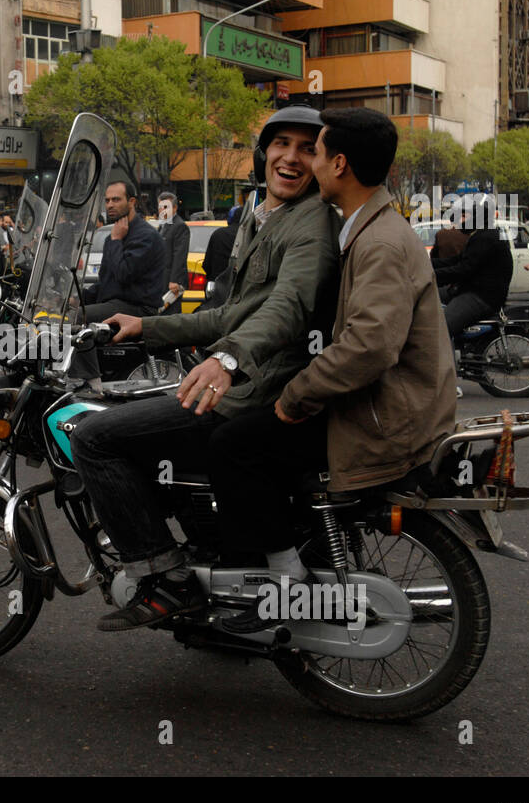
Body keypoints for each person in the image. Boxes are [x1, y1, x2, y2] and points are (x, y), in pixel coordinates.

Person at [69, 105, 340, 631]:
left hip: (255, 391)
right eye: (281, 143)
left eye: (308, 148)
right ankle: (207, 550)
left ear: (324, 160)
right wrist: (146, 326)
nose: (291, 157)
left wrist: (227, 360)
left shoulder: (309, 227)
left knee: (94, 438)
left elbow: (290, 306)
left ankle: (164, 576)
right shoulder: (269, 217)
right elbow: (232, 313)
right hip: (247, 380)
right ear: (264, 152)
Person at [267, 108, 456, 621]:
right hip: (389, 406)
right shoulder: (369, 229)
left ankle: (282, 589)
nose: (309, 162)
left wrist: (295, 396)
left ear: (340, 164)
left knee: (235, 445)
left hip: (385, 420)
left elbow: (369, 346)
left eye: (317, 151)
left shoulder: (379, 242)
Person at [82, 179, 167, 320]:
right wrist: (76, 298)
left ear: (132, 202)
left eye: (116, 200)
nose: (110, 205)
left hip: (137, 309)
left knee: (75, 318)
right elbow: (105, 283)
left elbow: (124, 274)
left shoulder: (146, 236)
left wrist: (116, 241)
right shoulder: (114, 236)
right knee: (64, 313)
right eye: (107, 201)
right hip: (114, 304)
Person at [433, 197, 514, 337]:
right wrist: (427, 264)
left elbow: (464, 269)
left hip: (481, 296)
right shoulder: (482, 234)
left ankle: (447, 358)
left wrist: (432, 275)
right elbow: (457, 260)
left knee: (440, 329)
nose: (460, 220)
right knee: (430, 293)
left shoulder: (486, 237)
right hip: (473, 290)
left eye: (464, 216)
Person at [156, 191, 191, 315]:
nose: (162, 210)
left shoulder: (180, 226)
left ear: (175, 208)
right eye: (160, 207)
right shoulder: (163, 225)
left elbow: (180, 254)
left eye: (166, 207)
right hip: (161, 279)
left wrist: (175, 280)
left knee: (171, 314)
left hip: (172, 282)